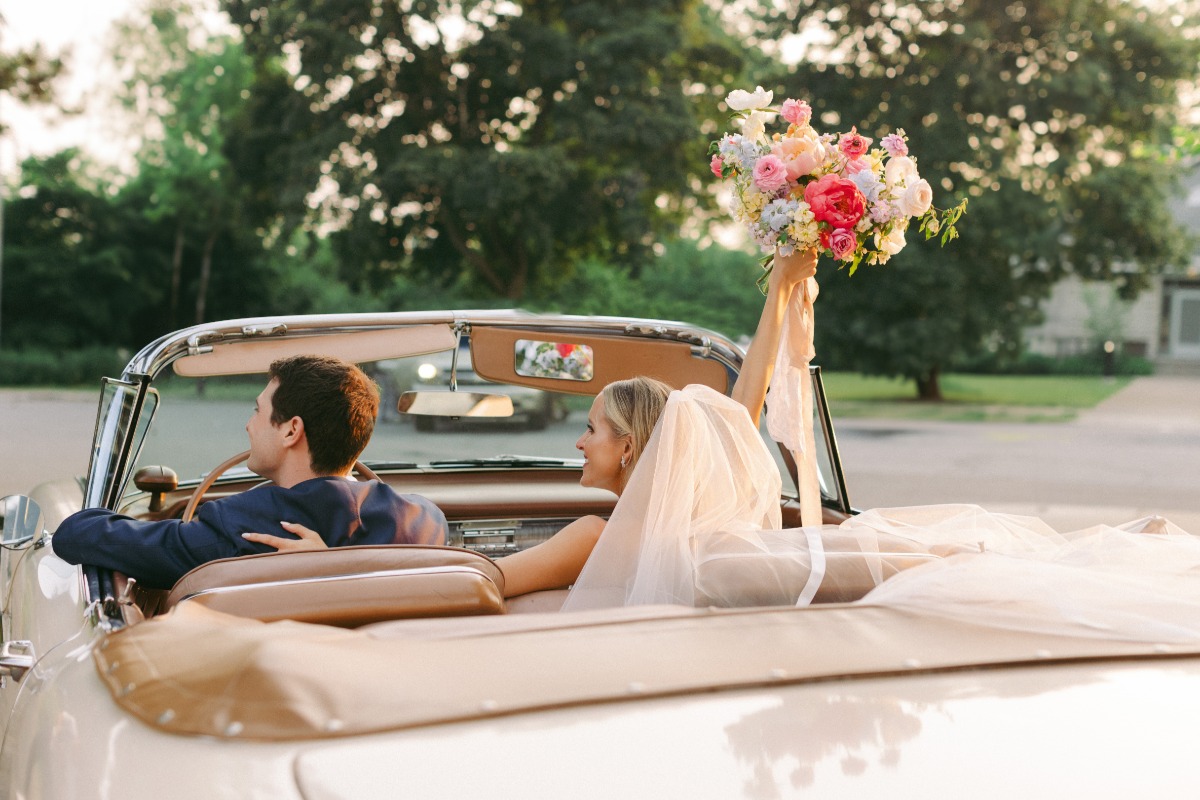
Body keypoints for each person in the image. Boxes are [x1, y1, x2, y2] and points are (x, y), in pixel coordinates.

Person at [247, 248, 822, 598]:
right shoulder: (699, 530)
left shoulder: (598, 536)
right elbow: (742, 412)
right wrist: (781, 287)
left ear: (628, 449)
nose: (577, 440)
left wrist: (332, 565)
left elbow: (474, 582)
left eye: (593, 429)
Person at [51, 355, 448, 589]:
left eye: (257, 411)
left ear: (292, 429)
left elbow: (76, 535)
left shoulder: (243, 528)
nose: (249, 425)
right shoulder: (425, 522)